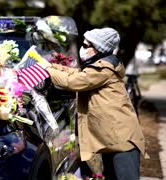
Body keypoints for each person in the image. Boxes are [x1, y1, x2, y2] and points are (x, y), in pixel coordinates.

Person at [38, 27, 147, 180]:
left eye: (85, 46)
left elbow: (73, 81)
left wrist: (48, 70)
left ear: (98, 48)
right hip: (113, 139)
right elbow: (76, 74)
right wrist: (50, 66)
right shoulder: (100, 66)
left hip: (123, 140)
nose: (82, 49)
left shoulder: (103, 69)